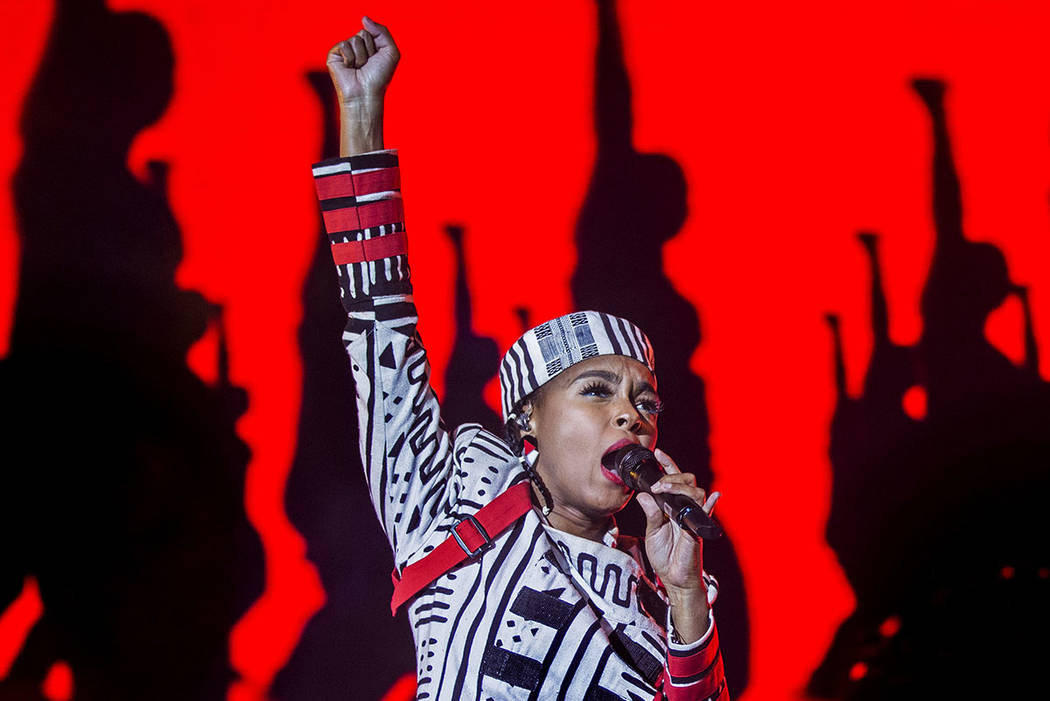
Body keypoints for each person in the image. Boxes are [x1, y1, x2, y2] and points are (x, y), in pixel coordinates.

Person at [312, 16, 728, 700]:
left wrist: (685, 597)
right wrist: (360, 115)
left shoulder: (662, 605)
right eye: (597, 390)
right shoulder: (451, 502)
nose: (633, 416)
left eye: (646, 402)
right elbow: (379, 326)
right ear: (526, 419)